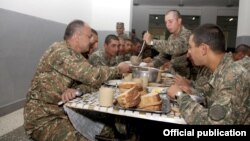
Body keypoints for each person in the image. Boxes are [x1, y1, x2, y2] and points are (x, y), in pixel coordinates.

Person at [23, 19, 131, 141]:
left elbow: (93, 85)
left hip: (66, 110)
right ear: (77, 36)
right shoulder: (60, 51)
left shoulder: (76, 56)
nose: (91, 41)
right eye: (89, 36)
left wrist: (76, 90)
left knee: (108, 130)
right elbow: (93, 76)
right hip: (44, 117)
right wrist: (118, 69)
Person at [167, 23, 249, 124]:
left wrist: (179, 96)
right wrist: (191, 92)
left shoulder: (233, 77)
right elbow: (213, 101)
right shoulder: (222, 70)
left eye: (190, 47)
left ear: (203, 49)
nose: (188, 53)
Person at [143, 10, 191, 77]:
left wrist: (152, 42)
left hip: (186, 77)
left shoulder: (187, 34)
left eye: (170, 21)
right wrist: (152, 64)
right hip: (175, 74)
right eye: (166, 22)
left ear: (179, 21)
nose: (167, 25)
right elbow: (164, 56)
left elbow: (175, 48)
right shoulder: (171, 37)